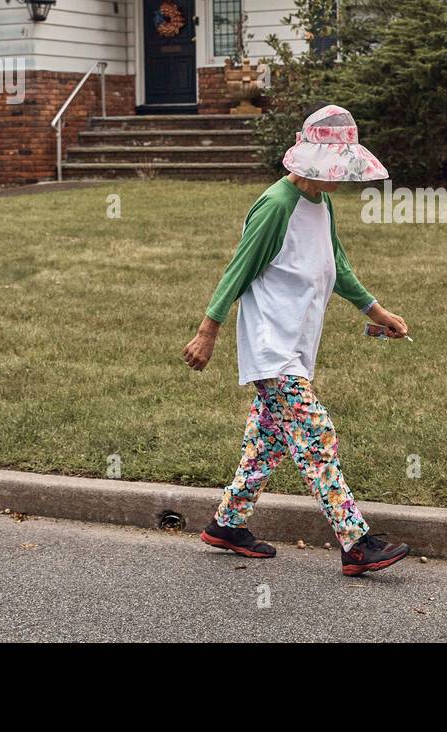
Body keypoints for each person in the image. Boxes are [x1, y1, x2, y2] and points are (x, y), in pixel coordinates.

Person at [182, 104, 411, 576]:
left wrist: (377, 311)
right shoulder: (276, 205)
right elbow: (238, 269)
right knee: (315, 433)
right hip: (272, 347)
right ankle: (356, 543)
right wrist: (209, 331)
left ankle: (227, 524)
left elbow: (337, 267)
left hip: (295, 345)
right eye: (334, 167)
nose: (341, 177)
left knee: (266, 441)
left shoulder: (319, 202)